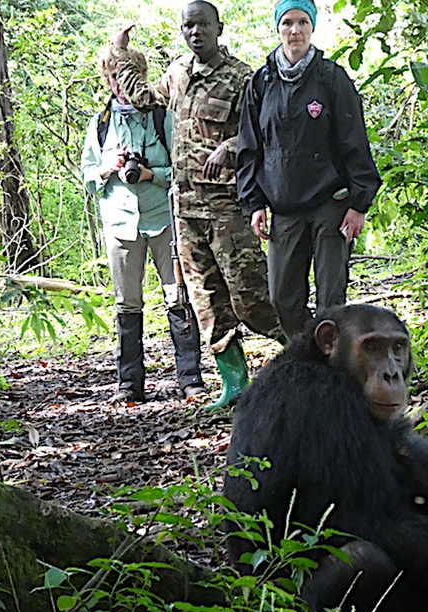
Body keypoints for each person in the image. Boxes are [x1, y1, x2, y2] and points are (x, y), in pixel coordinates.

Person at [108, 1, 284, 411]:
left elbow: (267, 134)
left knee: (252, 298)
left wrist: (231, 146)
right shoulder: (177, 74)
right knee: (208, 303)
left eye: (203, 24)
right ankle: (234, 385)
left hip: (228, 210)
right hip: (185, 213)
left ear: (218, 28)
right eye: (188, 26)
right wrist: (120, 55)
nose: (195, 32)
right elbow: (143, 97)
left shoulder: (244, 78)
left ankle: (315, 360)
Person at [237, 0, 382, 341]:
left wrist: (359, 203)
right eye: (288, 22)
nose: (295, 30)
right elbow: (249, 148)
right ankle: (307, 361)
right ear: (278, 28)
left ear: (312, 26)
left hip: (331, 203)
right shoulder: (261, 82)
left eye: (303, 22)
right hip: (284, 207)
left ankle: (335, 376)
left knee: (332, 302)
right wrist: (255, 203)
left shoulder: (331, 78)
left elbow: (355, 142)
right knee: (283, 298)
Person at [81, 45, 207, 404]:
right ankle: (129, 384)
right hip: (120, 223)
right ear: (107, 80)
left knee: (177, 297)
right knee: (127, 303)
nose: (119, 85)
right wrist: (107, 168)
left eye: (124, 76)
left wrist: (152, 174)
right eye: (112, 78)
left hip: (163, 220)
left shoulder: (161, 118)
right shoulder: (101, 124)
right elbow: (88, 175)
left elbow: (185, 170)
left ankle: (190, 379)